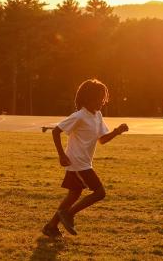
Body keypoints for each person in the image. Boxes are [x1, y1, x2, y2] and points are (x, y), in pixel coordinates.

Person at [42, 79, 128, 239]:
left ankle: (51, 227)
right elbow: (56, 132)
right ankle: (68, 214)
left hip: (84, 162)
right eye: (99, 98)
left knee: (74, 194)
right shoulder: (79, 116)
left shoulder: (97, 115)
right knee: (100, 192)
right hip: (78, 162)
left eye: (104, 98)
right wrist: (61, 155)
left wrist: (117, 131)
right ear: (88, 99)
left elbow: (102, 139)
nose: (102, 102)